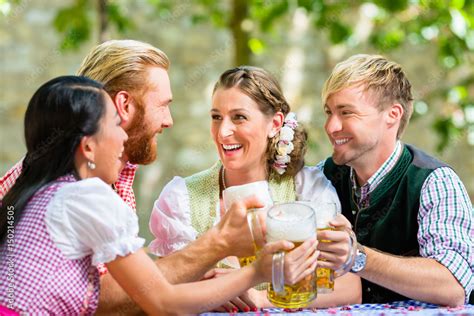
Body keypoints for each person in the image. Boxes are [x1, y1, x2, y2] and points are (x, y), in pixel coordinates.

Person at [0, 76, 319, 314]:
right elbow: (163, 303)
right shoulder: (86, 198)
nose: (124, 135)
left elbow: (152, 290)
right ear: (87, 146)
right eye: (115, 124)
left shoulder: (36, 194)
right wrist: (258, 272)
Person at [149, 66, 361, 310]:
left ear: (275, 124)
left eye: (239, 117)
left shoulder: (306, 187)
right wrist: (210, 293)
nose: (223, 132)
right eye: (216, 117)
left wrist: (260, 298)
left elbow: (349, 287)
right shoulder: (181, 198)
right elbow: (158, 291)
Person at [320, 54, 473, 306]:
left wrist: (356, 257)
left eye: (346, 112)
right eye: (329, 112)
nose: (331, 126)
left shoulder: (434, 182)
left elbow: (453, 285)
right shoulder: (320, 178)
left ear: (392, 115)